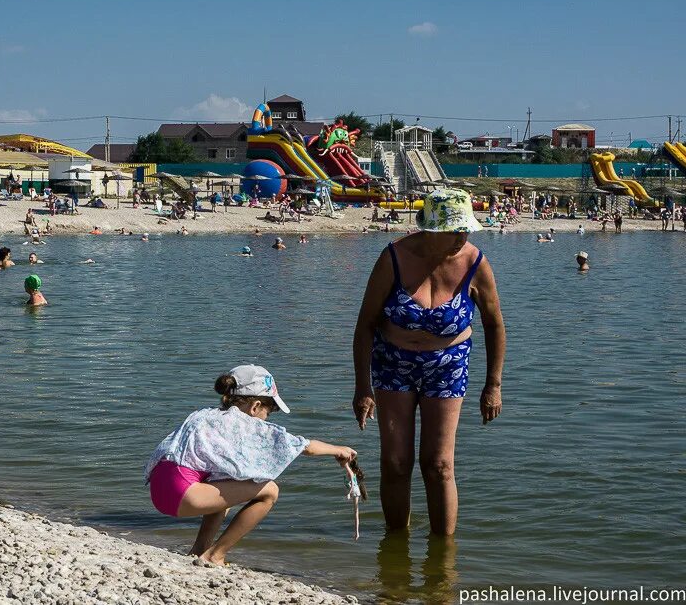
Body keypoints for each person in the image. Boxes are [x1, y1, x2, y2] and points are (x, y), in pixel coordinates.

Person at [352, 188, 505, 536]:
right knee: (395, 463)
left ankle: (442, 561)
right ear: (432, 229)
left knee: (438, 465)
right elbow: (365, 325)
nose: (462, 237)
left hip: (448, 366)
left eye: (465, 230)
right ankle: (395, 547)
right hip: (393, 362)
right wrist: (363, 387)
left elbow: (494, 325)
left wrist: (493, 385)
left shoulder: (475, 263)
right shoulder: (393, 258)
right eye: (455, 230)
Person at [145, 364, 356, 565]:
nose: (266, 418)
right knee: (270, 491)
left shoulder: (204, 414)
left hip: (159, 490)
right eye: (269, 412)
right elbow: (303, 446)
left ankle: (200, 550)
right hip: (183, 495)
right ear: (255, 407)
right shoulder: (242, 423)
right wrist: (338, 450)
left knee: (227, 479)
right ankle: (216, 556)